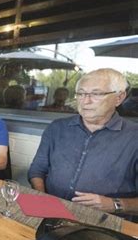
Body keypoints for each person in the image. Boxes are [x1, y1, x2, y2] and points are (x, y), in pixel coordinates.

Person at [28, 68, 138, 215]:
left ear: (119, 98)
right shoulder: (57, 128)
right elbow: (37, 170)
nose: (86, 101)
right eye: (81, 93)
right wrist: (42, 198)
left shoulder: (134, 137)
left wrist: (115, 204)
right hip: (51, 209)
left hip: (105, 220)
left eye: (96, 94)